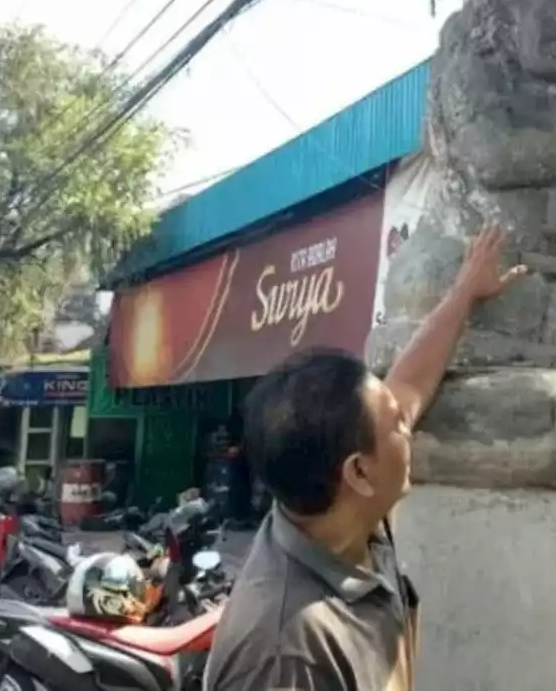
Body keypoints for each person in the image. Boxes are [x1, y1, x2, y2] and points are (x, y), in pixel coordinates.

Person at [204, 225, 526, 691]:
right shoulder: (286, 656)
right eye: (396, 425)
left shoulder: (346, 517)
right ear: (358, 471)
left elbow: (408, 386)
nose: (407, 427)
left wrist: (466, 291)